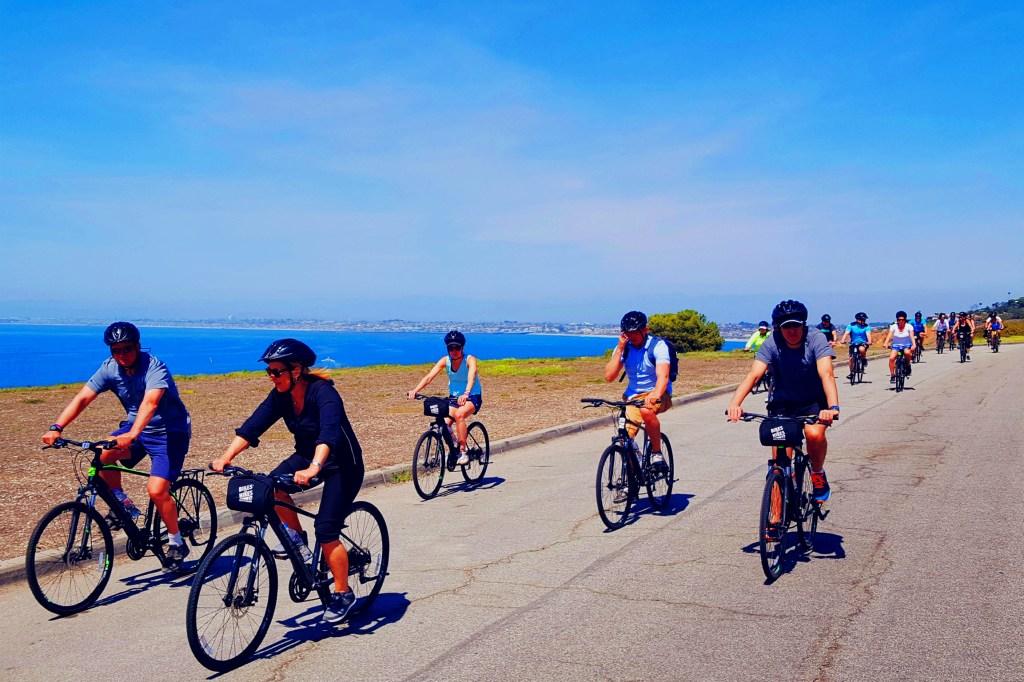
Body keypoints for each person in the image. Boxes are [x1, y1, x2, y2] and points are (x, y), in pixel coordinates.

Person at [211, 339, 364, 624]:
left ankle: (343, 594)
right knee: (271, 487)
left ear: (296, 370)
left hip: (342, 464)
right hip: (307, 456)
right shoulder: (280, 395)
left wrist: (314, 467)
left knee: (327, 528)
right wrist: (225, 457)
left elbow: (329, 434)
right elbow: (253, 426)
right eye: (268, 372)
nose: (272, 377)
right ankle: (299, 544)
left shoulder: (324, 394)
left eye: (277, 372)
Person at [40, 322, 192, 570]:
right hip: (134, 430)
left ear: (138, 346)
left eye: (127, 349)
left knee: (156, 490)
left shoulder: (155, 367)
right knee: (101, 455)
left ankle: (176, 542)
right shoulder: (110, 369)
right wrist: (57, 427)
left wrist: (133, 433)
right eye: (116, 350)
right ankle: (122, 505)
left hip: (169, 433)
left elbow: (151, 403)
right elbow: (83, 398)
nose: (122, 355)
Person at [726, 300, 839, 502]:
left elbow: (827, 374)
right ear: (778, 327)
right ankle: (774, 521)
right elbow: (754, 375)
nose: (792, 330)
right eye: (786, 326)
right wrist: (735, 404)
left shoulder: (816, 339)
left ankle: (817, 474)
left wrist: (833, 407)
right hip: (782, 403)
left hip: (813, 401)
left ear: (803, 324)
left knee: (813, 435)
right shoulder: (772, 341)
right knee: (779, 463)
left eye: (796, 325)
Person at [602, 311, 673, 471]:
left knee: (647, 412)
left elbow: (663, 375)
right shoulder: (625, 347)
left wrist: (655, 395)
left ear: (645, 329)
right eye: (627, 333)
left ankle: (657, 454)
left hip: (659, 393)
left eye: (634, 333)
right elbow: (609, 376)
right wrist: (620, 348)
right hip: (632, 397)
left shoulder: (658, 346)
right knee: (623, 441)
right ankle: (631, 482)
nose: (631, 337)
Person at [408, 330, 482, 466]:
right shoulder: (445, 361)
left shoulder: (470, 359)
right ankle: (453, 447)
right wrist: (415, 390)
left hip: (472, 396)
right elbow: (429, 377)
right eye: (450, 348)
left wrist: (466, 393)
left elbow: (471, 378)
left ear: (462, 347)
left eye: (457, 347)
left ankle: (463, 452)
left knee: (459, 415)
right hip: (454, 398)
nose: (454, 351)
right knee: (445, 424)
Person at [883, 311, 917, 383]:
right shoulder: (893, 326)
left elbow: (911, 336)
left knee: (907, 353)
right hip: (896, 346)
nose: (901, 321)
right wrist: (886, 343)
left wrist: (914, 344)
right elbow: (889, 335)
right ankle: (892, 375)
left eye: (902, 320)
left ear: (905, 320)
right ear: (897, 320)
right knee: (891, 358)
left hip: (906, 345)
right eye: (899, 320)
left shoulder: (909, 326)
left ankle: (908, 365)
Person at [840, 312, 873, 380]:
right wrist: (842, 340)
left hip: (863, 343)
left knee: (861, 349)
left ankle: (864, 359)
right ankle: (851, 373)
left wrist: (869, 341)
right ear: (858, 320)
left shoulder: (866, 327)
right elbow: (846, 333)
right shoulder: (851, 325)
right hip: (853, 343)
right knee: (851, 358)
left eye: (864, 320)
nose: (864, 321)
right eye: (862, 320)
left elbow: (868, 335)